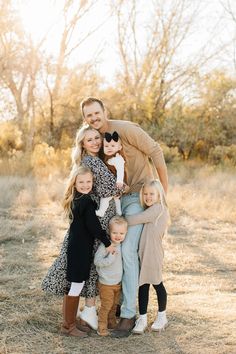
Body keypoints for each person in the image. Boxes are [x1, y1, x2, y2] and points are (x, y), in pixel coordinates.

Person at [81, 96, 168, 338]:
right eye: (89, 115)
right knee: (111, 247)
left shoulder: (126, 129)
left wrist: (164, 192)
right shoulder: (95, 143)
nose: (94, 118)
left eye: (97, 113)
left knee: (128, 250)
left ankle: (129, 314)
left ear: (104, 110)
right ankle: (114, 305)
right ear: (85, 119)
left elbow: (156, 151)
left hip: (138, 197)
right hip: (116, 201)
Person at [42, 126, 121, 332]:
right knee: (77, 280)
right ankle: (68, 325)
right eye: (89, 140)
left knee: (79, 280)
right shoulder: (91, 163)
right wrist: (106, 241)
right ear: (82, 144)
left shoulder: (85, 185)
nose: (95, 142)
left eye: (97, 138)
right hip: (83, 241)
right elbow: (109, 190)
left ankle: (73, 321)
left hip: (85, 240)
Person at [60, 165, 115, 337]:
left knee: (75, 285)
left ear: (93, 182)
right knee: (76, 286)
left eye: (88, 181)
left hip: (77, 248)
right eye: (81, 182)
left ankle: (69, 323)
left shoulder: (76, 199)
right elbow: (94, 227)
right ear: (74, 183)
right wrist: (107, 242)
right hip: (80, 250)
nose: (85, 185)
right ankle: (68, 327)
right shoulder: (86, 201)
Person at [126, 180, 169, 334]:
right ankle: (142, 318)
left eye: (152, 194)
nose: (148, 197)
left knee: (157, 283)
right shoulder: (151, 208)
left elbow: (135, 219)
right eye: (145, 194)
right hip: (144, 253)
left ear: (159, 195)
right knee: (143, 285)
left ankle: (162, 316)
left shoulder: (157, 209)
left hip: (153, 254)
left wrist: (119, 220)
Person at [94, 216, 128, 336]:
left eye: (121, 233)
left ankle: (111, 323)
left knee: (114, 306)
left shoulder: (123, 246)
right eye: (114, 232)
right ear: (109, 232)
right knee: (106, 306)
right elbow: (97, 261)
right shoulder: (105, 246)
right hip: (106, 283)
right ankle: (101, 327)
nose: (118, 236)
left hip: (117, 283)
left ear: (125, 233)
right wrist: (110, 257)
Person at [95, 131, 126, 217]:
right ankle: (119, 212)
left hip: (116, 184)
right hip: (114, 183)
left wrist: (119, 181)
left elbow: (121, 170)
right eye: (106, 146)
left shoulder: (118, 159)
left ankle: (101, 211)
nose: (109, 148)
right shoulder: (109, 158)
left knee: (105, 197)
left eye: (113, 146)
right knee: (116, 198)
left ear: (120, 147)